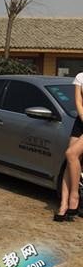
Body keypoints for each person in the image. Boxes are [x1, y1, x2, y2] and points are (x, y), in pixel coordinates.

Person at [55, 72, 83, 221]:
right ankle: (64, 205)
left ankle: (74, 196)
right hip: (80, 122)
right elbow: (78, 102)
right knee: (69, 163)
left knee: (71, 153)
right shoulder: (80, 77)